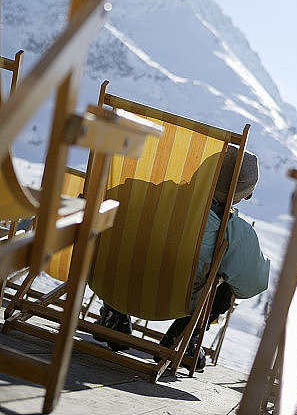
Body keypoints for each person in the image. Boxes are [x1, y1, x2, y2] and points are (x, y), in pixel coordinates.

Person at [96, 146, 270, 370]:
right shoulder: (235, 233)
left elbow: (95, 207)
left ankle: (114, 315)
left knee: (120, 241)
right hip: (175, 302)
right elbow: (252, 285)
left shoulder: (145, 193)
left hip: (118, 286)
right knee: (224, 289)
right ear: (237, 195)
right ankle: (183, 340)